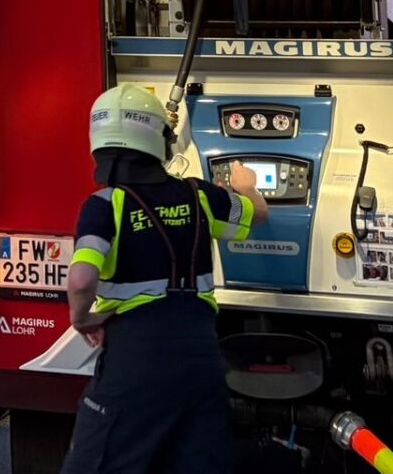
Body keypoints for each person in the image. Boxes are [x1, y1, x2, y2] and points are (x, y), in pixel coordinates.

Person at [59, 84, 269, 474]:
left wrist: (81, 318)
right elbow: (257, 214)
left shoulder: (105, 205)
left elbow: (82, 279)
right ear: (161, 139)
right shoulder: (200, 195)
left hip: (135, 362)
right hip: (201, 360)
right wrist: (247, 187)